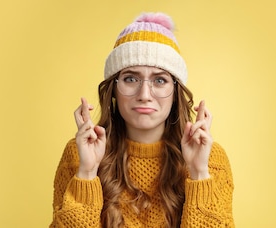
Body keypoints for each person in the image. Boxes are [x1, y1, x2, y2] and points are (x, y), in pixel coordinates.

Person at [50, 12, 234, 227]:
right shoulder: (79, 153)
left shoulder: (211, 159)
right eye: (130, 78)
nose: (145, 94)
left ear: (176, 93)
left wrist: (199, 173)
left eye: (160, 80)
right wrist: (88, 173)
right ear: (113, 90)